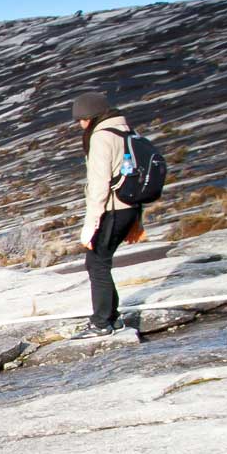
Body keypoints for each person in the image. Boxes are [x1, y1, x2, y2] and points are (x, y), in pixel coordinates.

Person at [70, 91, 142, 339]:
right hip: (129, 207)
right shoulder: (127, 131)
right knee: (101, 262)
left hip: (112, 208)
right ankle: (113, 318)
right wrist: (137, 219)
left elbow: (100, 185)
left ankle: (101, 322)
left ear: (92, 116)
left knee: (97, 263)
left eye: (81, 119)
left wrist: (91, 225)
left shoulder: (102, 137)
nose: (80, 124)